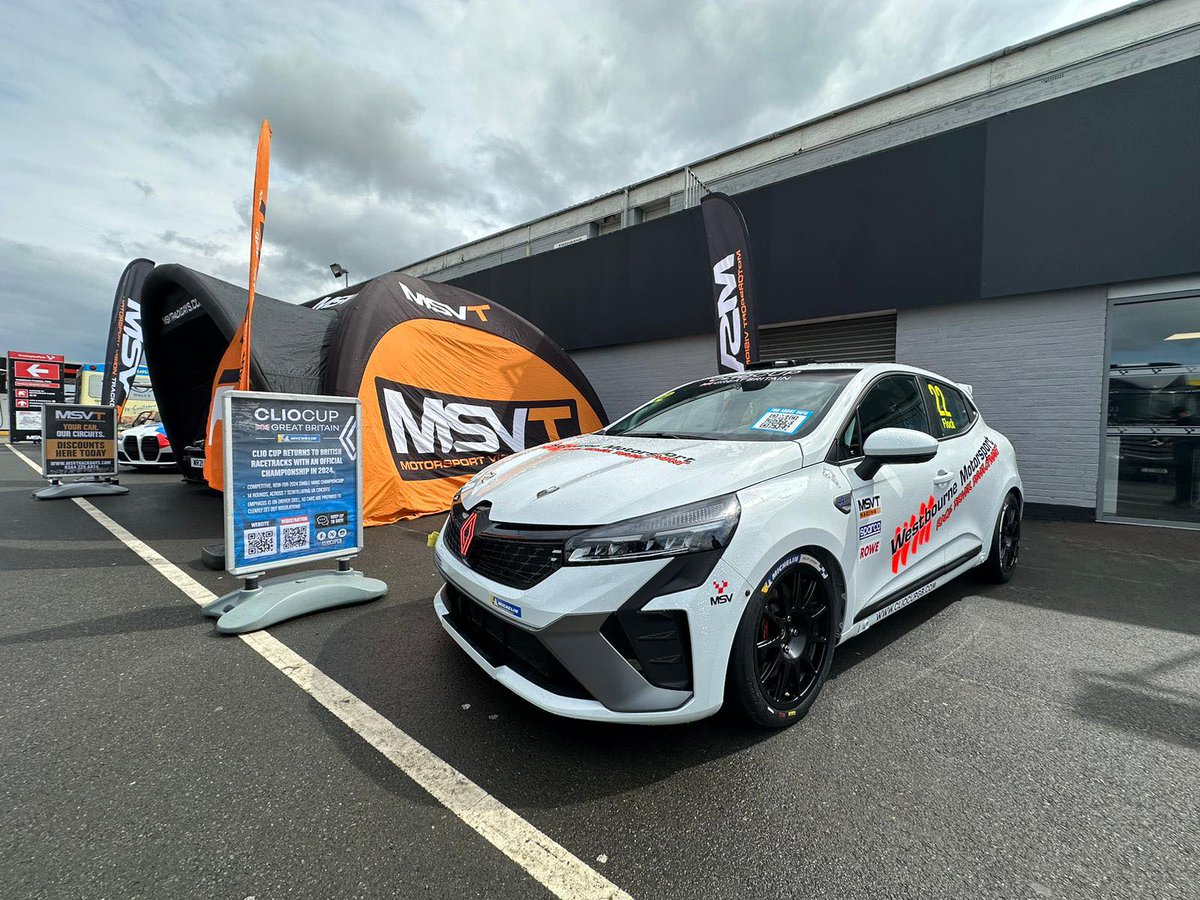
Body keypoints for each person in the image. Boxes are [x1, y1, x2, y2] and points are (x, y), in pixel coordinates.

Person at [1169, 404, 1196, 507]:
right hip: (1182, 454)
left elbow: (1193, 439)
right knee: (1181, 478)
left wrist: (1177, 442)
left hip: (1188, 455)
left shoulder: (1192, 422)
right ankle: (1182, 498)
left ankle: (1185, 499)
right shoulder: (1184, 421)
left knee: (1186, 478)